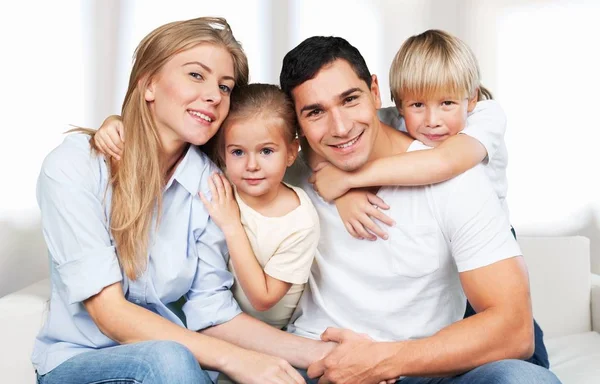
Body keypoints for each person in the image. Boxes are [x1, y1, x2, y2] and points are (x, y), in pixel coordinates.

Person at [33, 17, 333, 384]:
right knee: (168, 360)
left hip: (182, 364)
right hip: (81, 363)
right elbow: (110, 314)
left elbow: (212, 312)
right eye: (196, 75)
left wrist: (325, 355)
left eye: (225, 86)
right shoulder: (73, 167)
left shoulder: (211, 184)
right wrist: (237, 360)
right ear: (149, 84)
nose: (214, 95)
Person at [278, 36, 560, 383]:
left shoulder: (456, 170)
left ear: (375, 91)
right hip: (319, 364)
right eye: (315, 112)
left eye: (350, 100)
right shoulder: (279, 169)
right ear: (296, 123)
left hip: (423, 367)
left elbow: (515, 329)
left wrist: (383, 360)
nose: (340, 127)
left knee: (527, 380)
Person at [199, 83, 319, 330]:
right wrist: (115, 122)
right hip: (211, 313)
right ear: (222, 153)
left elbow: (263, 298)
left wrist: (232, 225)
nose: (251, 165)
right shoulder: (220, 183)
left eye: (266, 151)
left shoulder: (299, 221)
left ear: (290, 152)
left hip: (265, 333)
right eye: (238, 152)